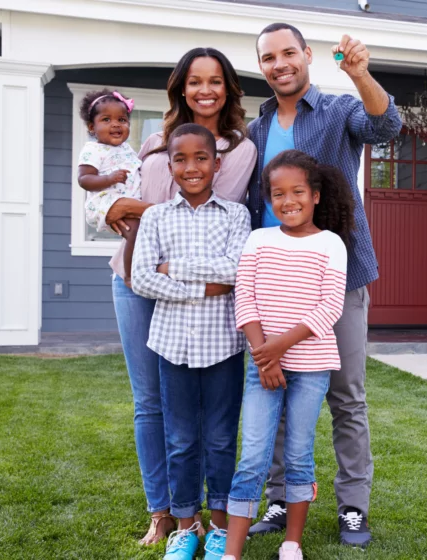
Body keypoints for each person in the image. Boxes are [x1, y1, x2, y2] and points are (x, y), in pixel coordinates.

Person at [244, 23, 402, 548]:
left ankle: (352, 507)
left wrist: (360, 74)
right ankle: (280, 497)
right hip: (271, 280)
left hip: (339, 275)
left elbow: (385, 126)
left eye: (289, 52)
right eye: (269, 57)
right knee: (275, 387)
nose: (279, 63)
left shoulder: (337, 110)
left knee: (346, 398)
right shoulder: (257, 128)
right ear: (262, 66)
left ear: (307, 56)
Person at [105, 47, 257, 547]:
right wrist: (123, 209)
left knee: (213, 428)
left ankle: (207, 522)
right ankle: (166, 514)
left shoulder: (240, 148)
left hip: (205, 310)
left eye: (215, 81)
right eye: (195, 81)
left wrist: (172, 264)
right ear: (181, 87)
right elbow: (133, 211)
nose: (205, 90)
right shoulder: (151, 142)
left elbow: (217, 209)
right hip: (134, 277)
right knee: (152, 405)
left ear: (228, 88)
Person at [211, 151, 353, 560]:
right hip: (262, 365)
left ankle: (292, 543)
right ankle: (231, 554)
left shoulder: (331, 245)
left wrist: (277, 349)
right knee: (253, 455)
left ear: (316, 196)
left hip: (311, 367)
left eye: (297, 192)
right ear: (268, 198)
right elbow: (245, 299)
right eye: (277, 194)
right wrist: (264, 355)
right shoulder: (258, 239)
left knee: (297, 453)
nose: (287, 201)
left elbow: (329, 308)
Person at [131, 124, 251, 560]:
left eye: (201, 158)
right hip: (172, 346)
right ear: (169, 166)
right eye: (180, 159)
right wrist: (203, 285)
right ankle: (186, 527)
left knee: (220, 438)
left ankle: (219, 527)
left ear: (217, 164)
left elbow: (235, 271)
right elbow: (142, 277)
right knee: (180, 439)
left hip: (222, 347)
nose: (191, 167)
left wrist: (173, 268)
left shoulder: (236, 215)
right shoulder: (156, 216)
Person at [76, 89, 142, 283]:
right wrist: (109, 179)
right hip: (104, 201)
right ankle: (129, 274)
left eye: (122, 120)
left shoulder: (126, 149)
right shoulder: (92, 150)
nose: (115, 124)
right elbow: (84, 179)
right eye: (106, 120)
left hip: (125, 200)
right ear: (91, 127)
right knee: (135, 230)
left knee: (141, 230)